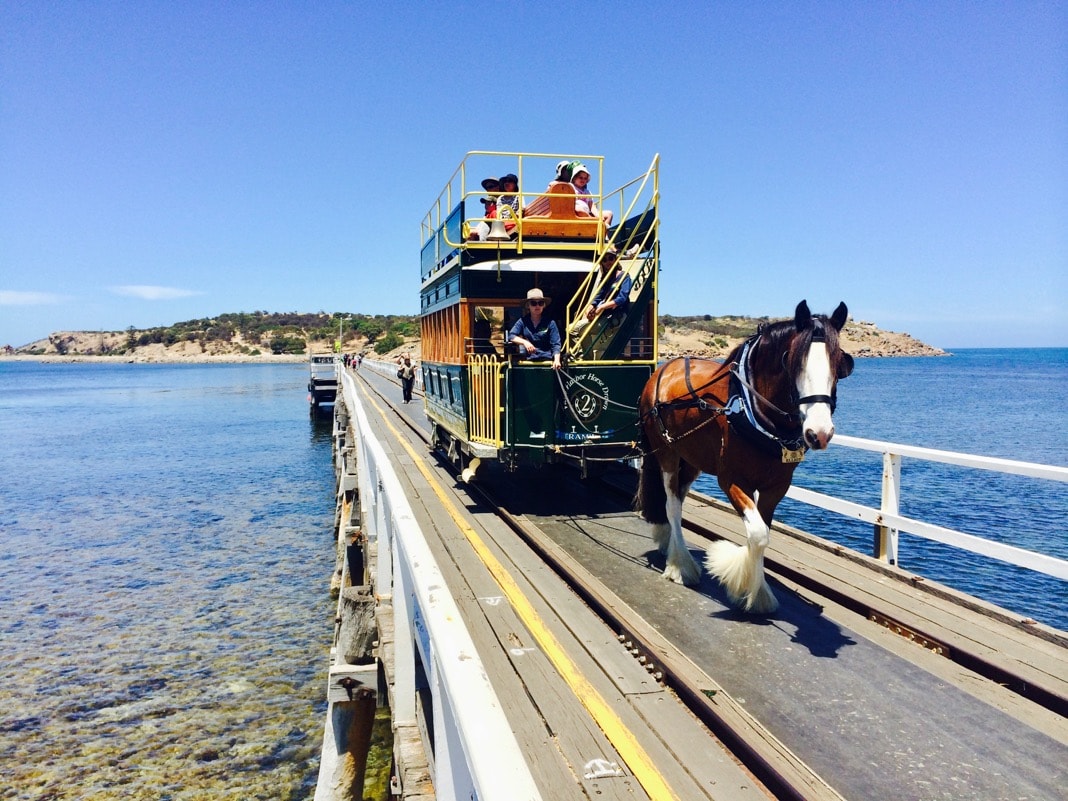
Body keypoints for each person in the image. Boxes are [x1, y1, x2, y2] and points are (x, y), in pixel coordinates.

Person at [508, 288, 562, 369]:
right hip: (528, 363)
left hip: (547, 362)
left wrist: (557, 360)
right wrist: (525, 342)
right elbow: (511, 336)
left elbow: (556, 344)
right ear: (528, 305)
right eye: (533, 303)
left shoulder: (551, 323)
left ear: (544, 305)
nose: (537, 306)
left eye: (540, 303)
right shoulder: (523, 321)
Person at [586, 246, 632, 325]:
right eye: (604, 260)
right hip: (605, 314)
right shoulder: (604, 279)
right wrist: (590, 307)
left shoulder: (624, 276)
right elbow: (599, 296)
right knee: (573, 328)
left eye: (610, 258)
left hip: (617, 314)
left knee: (579, 330)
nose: (608, 262)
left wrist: (602, 307)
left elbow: (622, 298)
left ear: (615, 260)